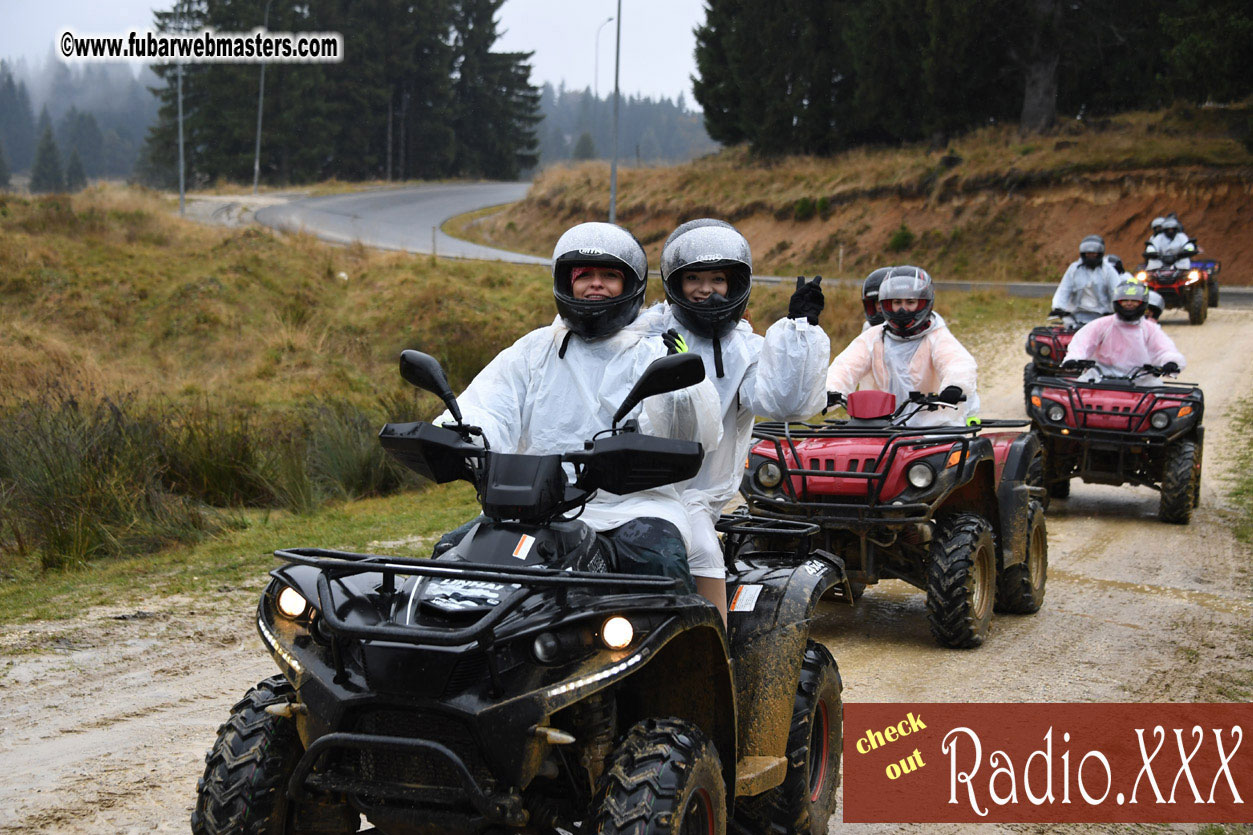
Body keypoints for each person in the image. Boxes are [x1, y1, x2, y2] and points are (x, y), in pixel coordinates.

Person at [431, 221, 722, 592]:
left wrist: (685, 390)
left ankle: (679, 649)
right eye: (585, 275)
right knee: (449, 553)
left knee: (659, 563)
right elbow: (490, 405)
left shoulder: (654, 352)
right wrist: (461, 432)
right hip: (534, 505)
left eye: (609, 275)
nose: (596, 284)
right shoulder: (534, 350)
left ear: (631, 285)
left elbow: (692, 434)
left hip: (630, 507)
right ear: (566, 282)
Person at [638, 219, 829, 623]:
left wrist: (801, 332)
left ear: (736, 283)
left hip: (693, 496)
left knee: (704, 550)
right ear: (674, 282)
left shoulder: (746, 349)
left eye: (717, 279)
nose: (705, 289)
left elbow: (783, 401)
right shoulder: (647, 334)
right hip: (630, 486)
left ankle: (717, 652)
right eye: (692, 278)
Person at [826, 266, 978, 427]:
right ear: (886, 303)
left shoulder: (937, 336)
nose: (902, 309)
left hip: (932, 426)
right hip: (879, 424)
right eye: (897, 302)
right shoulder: (874, 336)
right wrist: (830, 390)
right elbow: (845, 366)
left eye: (910, 302)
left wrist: (954, 387)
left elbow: (958, 363)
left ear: (923, 303)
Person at [1062, 280, 1184, 384]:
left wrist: (1171, 362)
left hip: (1141, 382)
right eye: (1125, 300)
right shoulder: (1101, 324)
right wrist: (1074, 358)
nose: (1129, 303)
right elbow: (1082, 343)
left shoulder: (1150, 329)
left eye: (1134, 300)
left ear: (1143, 302)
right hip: (1099, 379)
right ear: (1117, 301)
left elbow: (1165, 349)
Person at [1050, 234, 1122, 326]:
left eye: (1093, 254)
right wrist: (1058, 308)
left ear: (1099, 254)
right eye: (1088, 253)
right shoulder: (1074, 269)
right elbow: (1064, 289)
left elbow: (1116, 290)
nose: (1090, 256)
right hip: (1076, 316)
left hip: (1103, 316)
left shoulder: (1108, 270)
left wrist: (1119, 309)